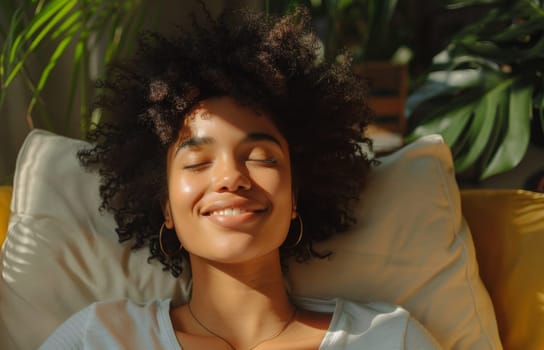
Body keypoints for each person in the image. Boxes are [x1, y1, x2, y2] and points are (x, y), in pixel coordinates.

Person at [40, 4, 440, 349]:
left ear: (296, 194)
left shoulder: (389, 337)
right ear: (164, 205)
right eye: (198, 162)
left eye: (262, 157)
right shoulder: (100, 337)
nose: (231, 178)